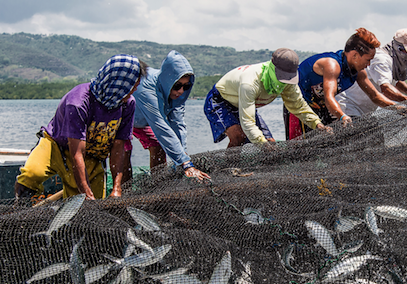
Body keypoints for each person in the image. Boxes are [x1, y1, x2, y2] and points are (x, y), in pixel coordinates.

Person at [14, 54, 148, 200]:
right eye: (132, 87)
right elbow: (76, 153)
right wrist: (85, 192)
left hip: (91, 156)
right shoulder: (78, 102)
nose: (134, 91)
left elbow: (118, 148)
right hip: (55, 146)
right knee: (31, 175)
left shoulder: (127, 104)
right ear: (118, 83)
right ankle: (20, 210)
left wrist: (117, 188)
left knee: (89, 211)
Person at [203, 48, 331, 148]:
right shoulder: (251, 82)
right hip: (220, 100)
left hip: (244, 103)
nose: (285, 82)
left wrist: (317, 124)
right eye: (282, 77)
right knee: (238, 135)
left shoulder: (288, 83)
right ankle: (229, 169)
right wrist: (261, 143)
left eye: (288, 78)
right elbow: (248, 123)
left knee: (270, 143)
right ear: (273, 68)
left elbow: (299, 106)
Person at [123, 50, 210, 182]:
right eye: (177, 86)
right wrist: (185, 163)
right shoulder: (146, 88)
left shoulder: (178, 95)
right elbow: (161, 128)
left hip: (145, 121)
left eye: (186, 86)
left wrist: (182, 161)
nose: (181, 91)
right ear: (168, 81)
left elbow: (178, 125)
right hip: (124, 118)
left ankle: (157, 184)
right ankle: (123, 191)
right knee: (122, 150)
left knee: (158, 145)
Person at [285, 28, 380, 140]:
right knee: (300, 146)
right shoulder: (332, 65)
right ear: (354, 55)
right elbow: (329, 97)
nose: (368, 64)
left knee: (329, 140)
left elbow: (375, 95)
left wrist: (397, 106)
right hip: (299, 106)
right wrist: (342, 116)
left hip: (321, 107)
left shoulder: (358, 71)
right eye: (368, 60)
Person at [336, 28, 407, 118]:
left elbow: (396, 82)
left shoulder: (393, 62)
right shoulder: (381, 60)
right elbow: (386, 88)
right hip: (348, 107)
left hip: (364, 112)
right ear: (398, 47)